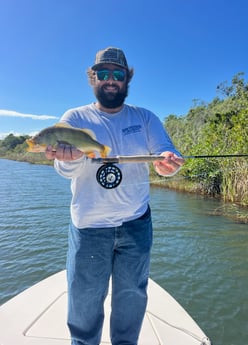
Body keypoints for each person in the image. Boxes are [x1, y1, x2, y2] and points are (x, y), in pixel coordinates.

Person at [45, 47, 184, 345]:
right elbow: (65, 170)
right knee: (84, 303)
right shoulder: (74, 118)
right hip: (89, 228)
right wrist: (68, 158)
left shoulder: (145, 118)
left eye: (117, 74)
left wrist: (168, 164)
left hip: (136, 225)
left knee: (132, 299)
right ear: (92, 78)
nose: (110, 80)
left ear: (127, 79)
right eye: (103, 74)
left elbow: (165, 157)